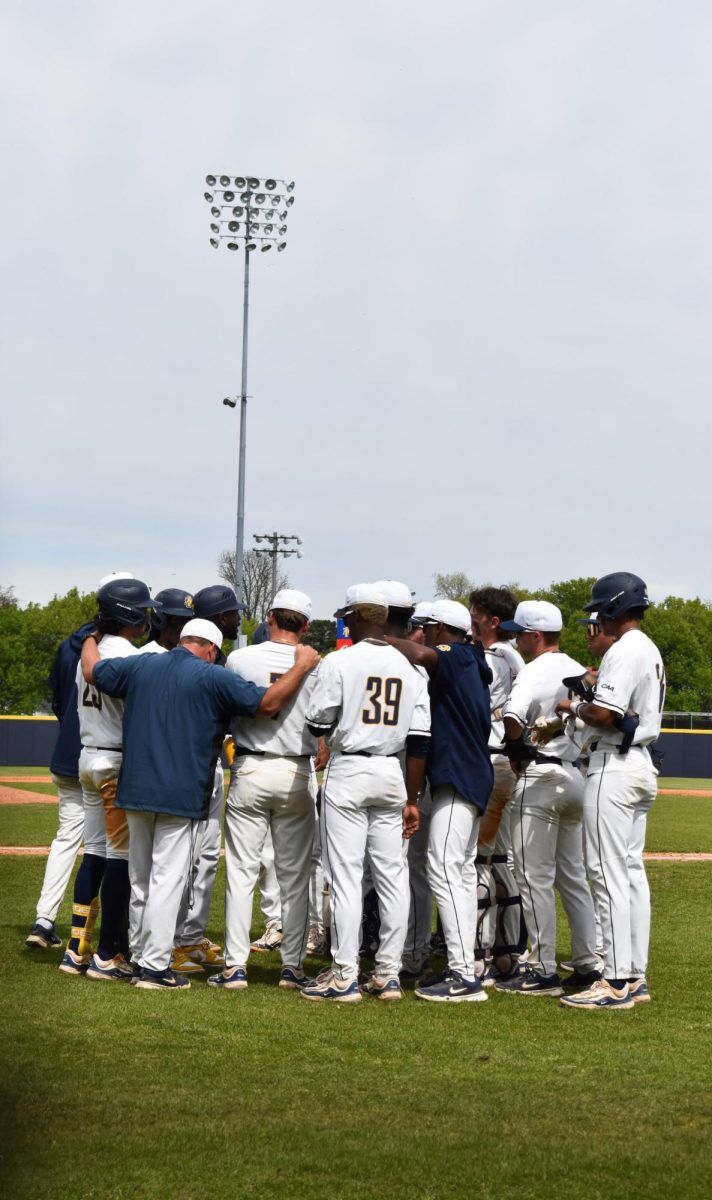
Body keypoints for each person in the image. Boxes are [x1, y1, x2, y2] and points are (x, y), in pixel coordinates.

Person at [80, 616, 320, 990]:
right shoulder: (211, 675)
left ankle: (142, 956)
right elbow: (268, 702)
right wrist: (302, 665)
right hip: (180, 792)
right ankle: (155, 969)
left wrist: (90, 635)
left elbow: (93, 671)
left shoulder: (141, 663)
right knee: (167, 878)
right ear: (210, 649)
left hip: (136, 787)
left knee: (140, 878)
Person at [301, 583, 430, 1002]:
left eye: (348, 616)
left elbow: (318, 721)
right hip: (392, 769)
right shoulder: (411, 667)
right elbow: (421, 739)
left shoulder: (340, 661)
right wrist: (412, 798)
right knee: (393, 877)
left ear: (360, 617)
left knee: (345, 876)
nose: (345, 621)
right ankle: (389, 974)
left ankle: (344, 974)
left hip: (351, 767)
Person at [556, 573, 665, 1011]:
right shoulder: (649, 648)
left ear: (615, 609)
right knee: (630, 873)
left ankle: (615, 980)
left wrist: (574, 705)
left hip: (615, 765)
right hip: (638, 764)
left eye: (600, 612)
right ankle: (633, 975)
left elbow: (604, 713)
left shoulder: (625, 648)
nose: (596, 621)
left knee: (607, 872)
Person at [208, 589, 320, 991]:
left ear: (270, 617)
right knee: (294, 876)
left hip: (252, 765)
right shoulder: (315, 664)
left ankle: (235, 967)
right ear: (305, 624)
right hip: (297, 770)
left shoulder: (241, 658)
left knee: (241, 872)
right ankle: (292, 967)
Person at [387, 598, 493, 1003]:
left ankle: (463, 974)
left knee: (444, 867)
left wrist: (378, 637)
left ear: (442, 628)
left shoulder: (459, 654)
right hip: (468, 771)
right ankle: (465, 968)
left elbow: (418, 652)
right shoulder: (469, 659)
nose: (423, 632)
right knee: (460, 872)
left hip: (458, 773)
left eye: (428, 626)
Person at [494, 601, 599, 998]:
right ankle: (588, 963)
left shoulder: (533, 670)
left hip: (540, 777)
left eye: (519, 633)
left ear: (535, 636)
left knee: (533, 878)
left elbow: (513, 716)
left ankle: (542, 970)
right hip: (575, 776)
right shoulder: (575, 666)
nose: (516, 639)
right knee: (572, 876)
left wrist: (515, 747)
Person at [59, 576, 158, 981]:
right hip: (115, 763)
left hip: (86, 757)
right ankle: (106, 955)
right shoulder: (129, 657)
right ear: (130, 614)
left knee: (94, 853)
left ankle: (75, 949)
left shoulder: (93, 649)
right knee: (118, 859)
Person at [170, 584, 245, 973]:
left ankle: (190, 937)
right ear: (218, 620)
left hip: (209, 764)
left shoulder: (216, 661)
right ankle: (172, 942)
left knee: (204, 859)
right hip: (192, 768)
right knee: (183, 858)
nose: (237, 619)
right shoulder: (199, 664)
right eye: (232, 614)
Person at [26, 612, 100, 950]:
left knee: (66, 838)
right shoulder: (123, 650)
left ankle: (43, 921)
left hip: (68, 753)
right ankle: (113, 933)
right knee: (110, 847)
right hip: (105, 756)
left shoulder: (67, 647)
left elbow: (57, 699)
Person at [468, 586, 526, 984]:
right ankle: (506, 954)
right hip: (506, 763)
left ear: (492, 620)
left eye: (476, 617)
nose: (471, 622)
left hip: (490, 760)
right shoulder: (516, 656)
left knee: (480, 861)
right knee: (501, 859)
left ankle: (482, 955)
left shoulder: (495, 655)